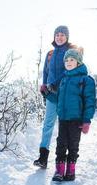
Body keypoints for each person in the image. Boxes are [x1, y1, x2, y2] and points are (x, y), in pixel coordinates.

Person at [34, 25, 75, 169]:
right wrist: (44, 85)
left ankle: (64, 161)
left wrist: (56, 84)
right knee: (48, 125)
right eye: (57, 34)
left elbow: (69, 70)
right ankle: (43, 158)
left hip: (65, 95)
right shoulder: (50, 54)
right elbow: (46, 71)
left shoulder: (71, 52)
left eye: (62, 34)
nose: (59, 37)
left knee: (65, 128)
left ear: (67, 37)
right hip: (51, 95)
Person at [52, 49, 96, 182]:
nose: (68, 62)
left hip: (76, 119)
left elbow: (90, 101)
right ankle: (59, 171)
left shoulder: (85, 80)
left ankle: (70, 171)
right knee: (61, 143)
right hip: (63, 118)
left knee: (73, 145)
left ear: (78, 62)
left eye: (72, 59)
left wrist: (87, 120)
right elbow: (58, 98)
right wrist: (47, 93)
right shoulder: (64, 80)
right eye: (66, 60)